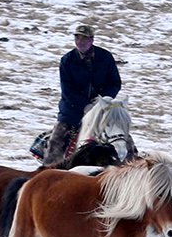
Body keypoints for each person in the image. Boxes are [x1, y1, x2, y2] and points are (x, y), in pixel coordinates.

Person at [43, 24, 120, 165]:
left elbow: (115, 83)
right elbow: (67, 90)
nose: (80, 42)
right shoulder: (67, 60)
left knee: (121, 136)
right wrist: (85, 105)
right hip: (72, 111)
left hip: (101, 107)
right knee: (57, 139)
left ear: (92, 40)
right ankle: (49, 169)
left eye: (84, 39)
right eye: (77, 38)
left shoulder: (105, 57)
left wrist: (102, 100)